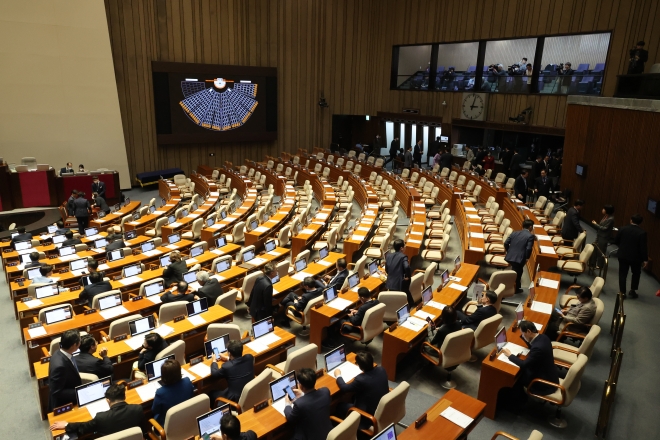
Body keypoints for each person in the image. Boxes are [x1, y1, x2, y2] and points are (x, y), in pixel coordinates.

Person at [49, 384, 146, 436]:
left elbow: (83, 427)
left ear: (108, 400)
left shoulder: (101, 418)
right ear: (124, 397)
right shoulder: (138, 409)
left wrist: (66, 425)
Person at [502, 321, 559, 400]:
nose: (522, 335)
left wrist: (510, 355)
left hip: (543, 383)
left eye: (522, 333)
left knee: (516, 378)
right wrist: (524, 337)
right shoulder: (543, 337)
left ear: (528, 331)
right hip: (550, 373)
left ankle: (518, 402)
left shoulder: (537, 348)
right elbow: (532, 345)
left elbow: (524, 364)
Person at [333, 351, 389, 427]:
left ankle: (347, 427)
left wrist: (338, 375)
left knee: (339, 406)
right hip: (381, 409)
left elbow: (344, 388)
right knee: (353, 396)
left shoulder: (361, 380)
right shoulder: (382, 370)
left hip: (367, 416)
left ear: (360, 367)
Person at [284, 368, 333, 440]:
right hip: (328, 433)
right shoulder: (325, 391)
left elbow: (291, 419)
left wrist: (287, 404)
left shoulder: (300, 404)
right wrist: (303, 394)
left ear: (301, 386)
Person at [152, 359, 194, 426]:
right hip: (187, 417)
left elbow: (154, 410)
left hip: (169, 425)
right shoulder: (187, 382)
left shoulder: (160, 393)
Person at [615, 214, 648, 299]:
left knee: (623, 274)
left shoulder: (622, 228)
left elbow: (616, 240)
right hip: (636, 258)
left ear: (631, 220)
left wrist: (622, 247)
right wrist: (645, 260)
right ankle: (633, 290)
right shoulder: (642, 233)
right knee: (636, 273)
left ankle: (622, 293)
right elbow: (643, 248)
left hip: (623, 255)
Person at [48, 329, 82, 410]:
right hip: (64, 403)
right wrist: (79, 392)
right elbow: (57, 392)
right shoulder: (60, 366)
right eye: (80, 341)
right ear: (74, 345)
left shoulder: (58, 352)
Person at [504, 219, 536, 292]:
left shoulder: (515, 233)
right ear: (530, 227)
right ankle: (515, 289)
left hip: (510, 256)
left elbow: (506, 243)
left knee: (517, 271)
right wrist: (527, 258)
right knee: (518, 273)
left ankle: (515, 287)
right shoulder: (530, 236)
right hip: (519, 258)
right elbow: (528, 249)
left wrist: (509, 251)